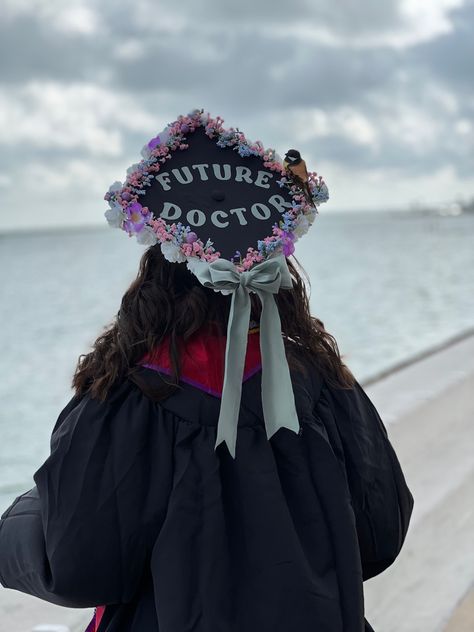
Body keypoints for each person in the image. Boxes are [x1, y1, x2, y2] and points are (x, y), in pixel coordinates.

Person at [0, 110, 414, 632]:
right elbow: (381, 531)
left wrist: (20, 521)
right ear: (273, 274)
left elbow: (78, 565)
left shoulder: (128, 397)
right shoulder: (320, 382)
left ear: (157, 276)